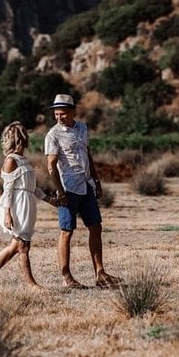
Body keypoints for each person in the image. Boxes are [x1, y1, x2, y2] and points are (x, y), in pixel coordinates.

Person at [45, 94, 122, 288]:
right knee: (66, 231)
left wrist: (96, 180)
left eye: (62, 113)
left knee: (96, 227)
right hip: (68, 189)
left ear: (72, 112)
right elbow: (51, 166)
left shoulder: (82, 128)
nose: (59, 117)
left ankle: (100, 273)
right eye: (56, 114)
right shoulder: (52, 135)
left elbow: (87, 154)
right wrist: (59, 191)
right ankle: (67, 277)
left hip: (86, 185)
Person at [0, 121, 56, 288]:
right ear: (18, 139)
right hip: (17, 205)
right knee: (23, 246)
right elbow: (7, 190)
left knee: (16, 245)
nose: (26, 137)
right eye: (23, 135)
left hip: (27, 204)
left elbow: (33, 189)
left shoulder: (24, 161)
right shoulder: (11, 161)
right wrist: (7, 212)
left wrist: (50, 200)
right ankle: (31, 285)